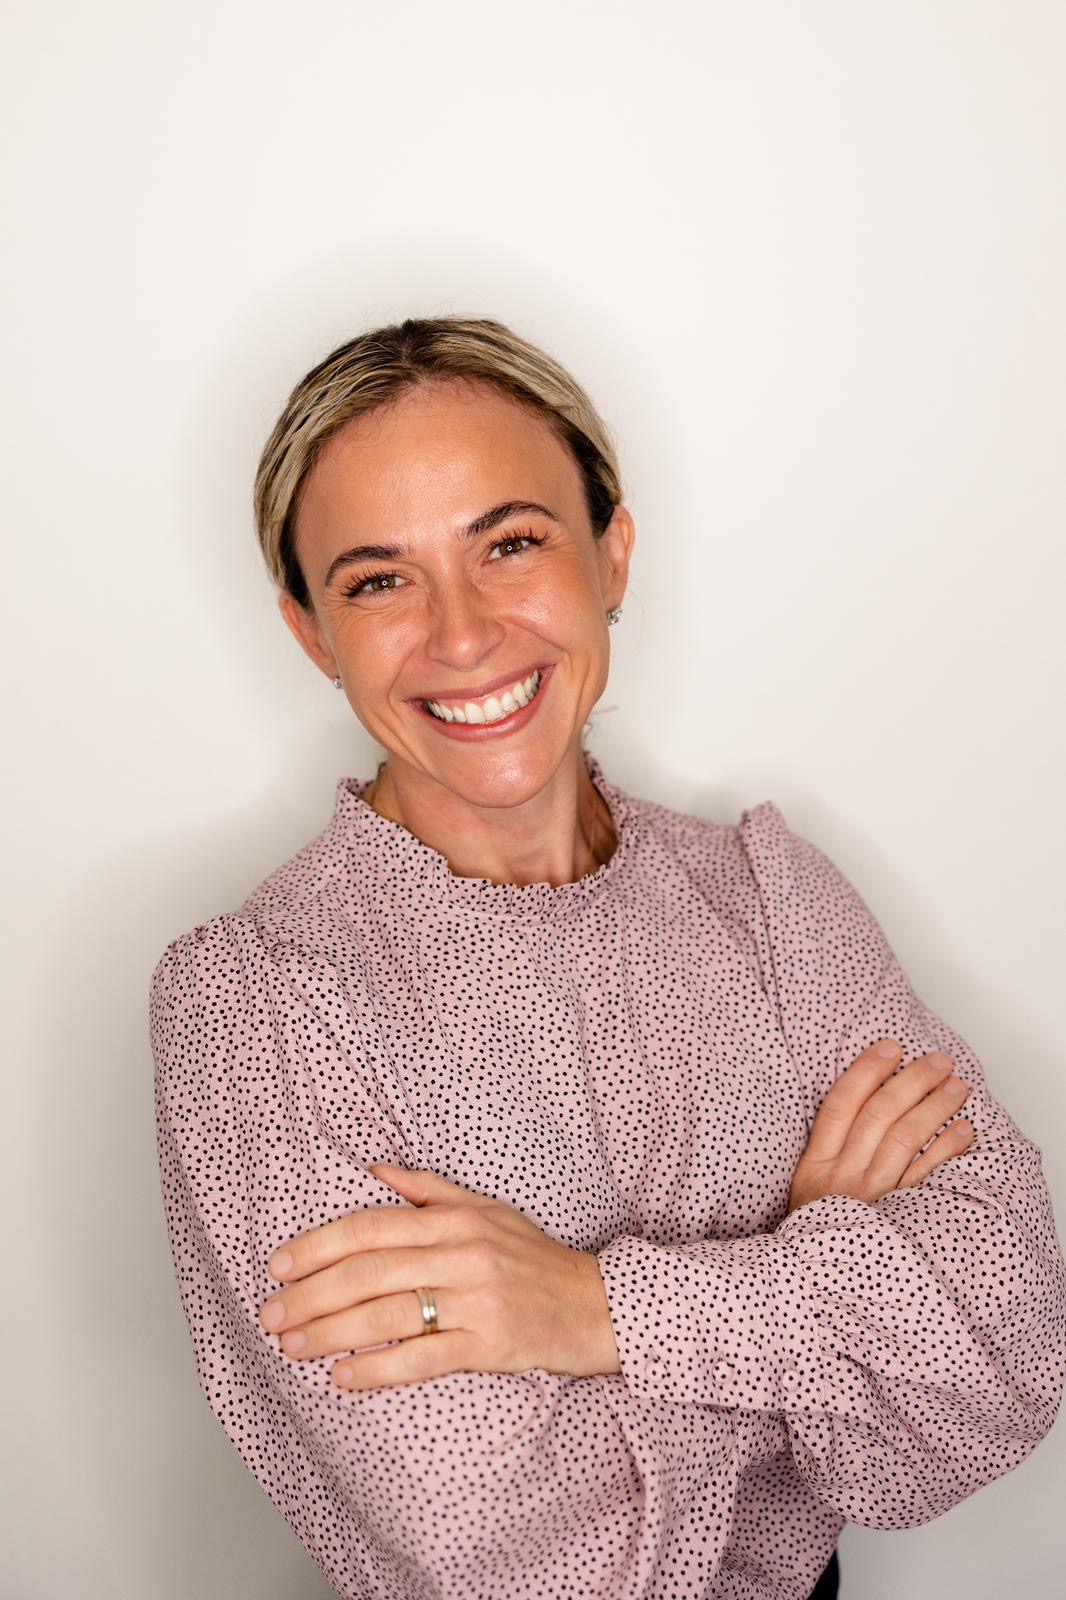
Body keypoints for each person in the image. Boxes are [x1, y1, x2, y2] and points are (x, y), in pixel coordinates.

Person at [149, 315, 1066, 1600]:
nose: (461, 634)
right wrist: (820, 1260)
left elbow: (1009, 1346)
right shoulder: (254, 1003)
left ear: (611, 555)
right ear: (313, 634)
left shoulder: (773, 898)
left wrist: (588, 1310)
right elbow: (490, 1550)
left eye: (510, 543)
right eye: (377, 579)